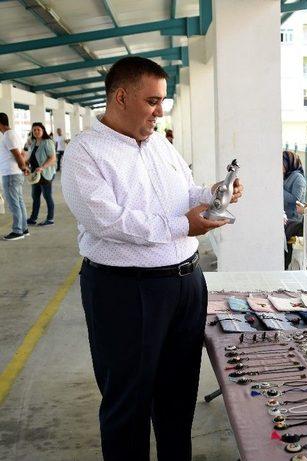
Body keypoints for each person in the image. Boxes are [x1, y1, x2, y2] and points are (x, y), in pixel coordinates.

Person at [61, 56, 243, 461]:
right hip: (127, 290)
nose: (160, 111)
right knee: (128, 402)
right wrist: (184, 226)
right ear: (121, 97)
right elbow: (109, 222)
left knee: (178, 397)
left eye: (162, 101)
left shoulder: (159, 142)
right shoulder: (84, 154)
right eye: (152, 101)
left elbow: (184, 191)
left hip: (185, 285)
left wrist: (213, 192)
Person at [0, 112, 30, 241]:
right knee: (19, 202)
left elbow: (18, 154)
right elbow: (23, 152)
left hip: (11, 174)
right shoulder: (13, 134)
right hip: (14, 173)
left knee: (14, 204)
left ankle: (17, 231)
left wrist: (23, 167)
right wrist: (24, 167)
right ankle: (24, 228)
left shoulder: (8, 135)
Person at [26, 122, 57, 226]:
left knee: (47, 196)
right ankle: (33, 218)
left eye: (38, 129)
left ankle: (50, 219)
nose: (36, 131)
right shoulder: (34, 142)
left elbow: (52, 158)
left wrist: (42, 167)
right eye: (34, 130)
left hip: (45, 173)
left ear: (43, 130)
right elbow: (33, 157)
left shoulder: (47, 142)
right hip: (35, 174)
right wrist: (27, 163)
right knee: (35, 196)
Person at [282, 150, 306, 269]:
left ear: (288, 163)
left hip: (293, 219)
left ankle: (284, 265)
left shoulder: (298, 178)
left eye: (281, 163)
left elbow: (296, 199)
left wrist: (278, 189)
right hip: (285, 217)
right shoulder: (286, 176)